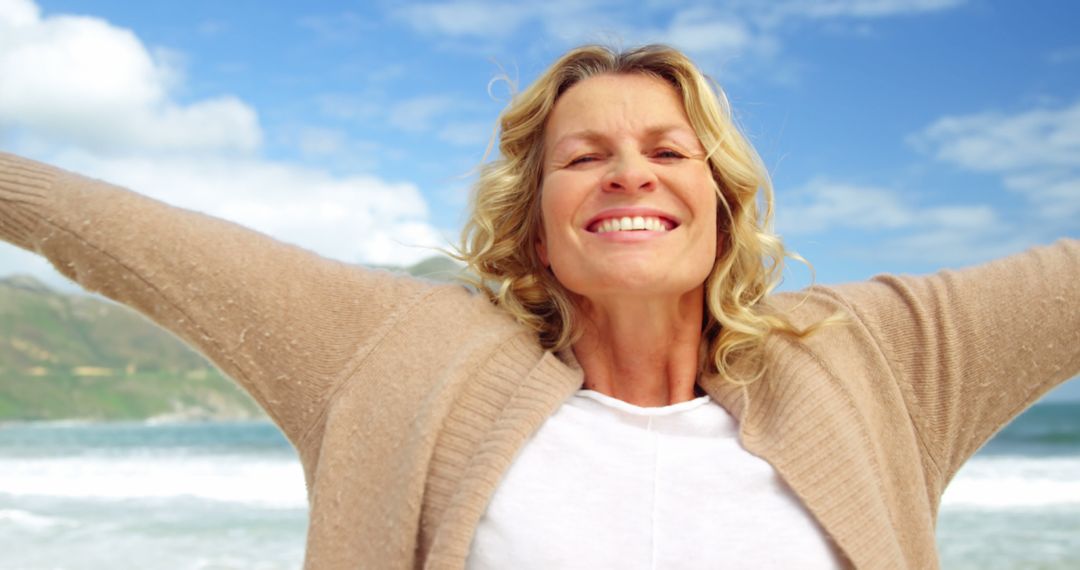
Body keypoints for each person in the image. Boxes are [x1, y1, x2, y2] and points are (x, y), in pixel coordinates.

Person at [0, 44, 1076, 569]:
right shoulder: (401, 351)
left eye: (666, 150)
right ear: (533, 219)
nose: (630, 175)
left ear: (724, 201)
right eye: (585, 156)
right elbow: (133, 242)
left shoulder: (869, 356)